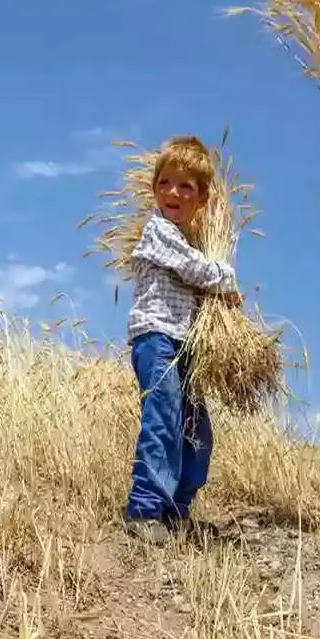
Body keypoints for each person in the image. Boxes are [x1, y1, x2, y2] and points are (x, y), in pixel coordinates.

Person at [122, 135, 244, 544]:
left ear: (203, 198)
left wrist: (221, 296)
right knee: (163, 421)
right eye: (165, 183)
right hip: (156, 339)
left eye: (186, 186)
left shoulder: (188, 239)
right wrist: (225, 278)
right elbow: (193, 268)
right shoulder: (159, 231)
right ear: (154, 188)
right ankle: (144, 510)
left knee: (196, 430)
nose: (173, 192)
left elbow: (196, 273)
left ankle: (178, 510)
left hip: (184, 345)